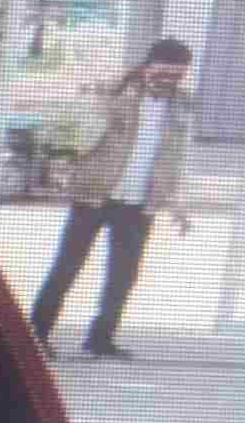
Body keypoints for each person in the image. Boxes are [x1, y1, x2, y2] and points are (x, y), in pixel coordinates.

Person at [27, 36, 195, 361]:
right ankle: (36, 335)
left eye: (177, 75)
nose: (168, 81)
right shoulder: (114, 92)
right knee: (67, 268)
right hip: (95, 195)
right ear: (147, 65)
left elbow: (176, 156)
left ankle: (101, 339)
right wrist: (62, 168)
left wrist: (176, 203)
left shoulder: (183, 105)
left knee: (123, 276)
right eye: (163, 72)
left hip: (139, 203)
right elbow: (76, 134)